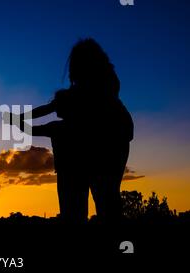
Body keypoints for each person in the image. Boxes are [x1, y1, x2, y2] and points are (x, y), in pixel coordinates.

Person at [11, 38, 133, 223]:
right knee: (105, 200)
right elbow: (44, 114)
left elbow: (42, 116)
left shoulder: (86, 97)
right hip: (111, 145)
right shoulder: (103, 91)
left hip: (99, 149)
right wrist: (17, 119)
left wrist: (15, 120)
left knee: (90, 203)